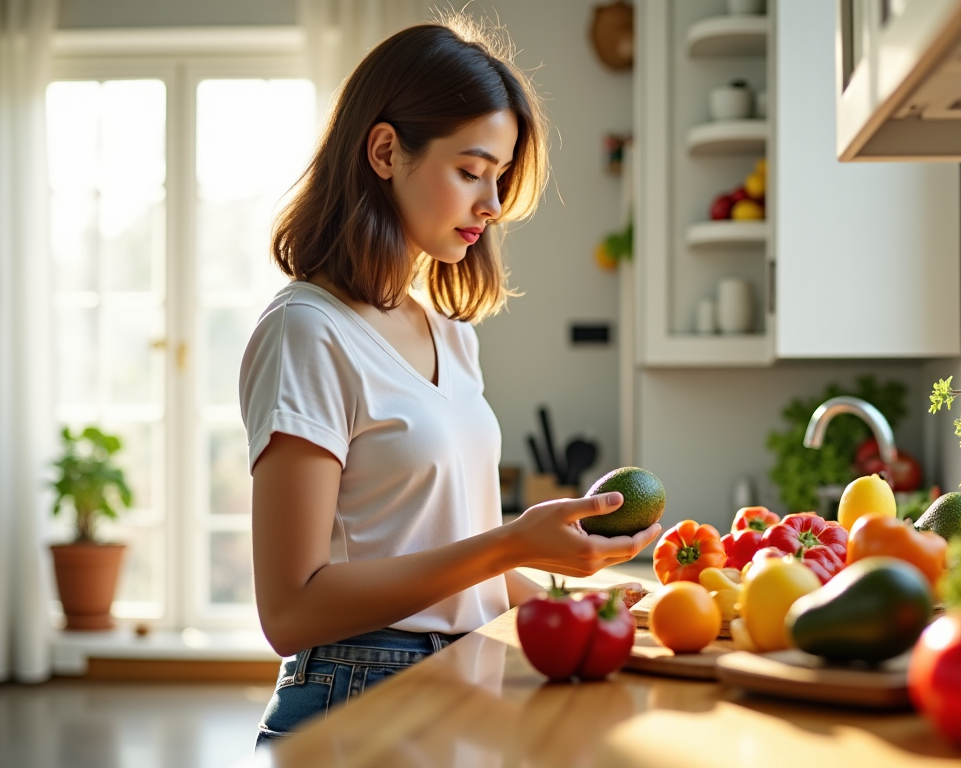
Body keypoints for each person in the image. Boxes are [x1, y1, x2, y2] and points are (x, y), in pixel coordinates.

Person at [240, 18, 660, 747]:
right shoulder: (307, 331)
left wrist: (592, 601)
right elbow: (291, 609)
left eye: (499, 177)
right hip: (354, 701)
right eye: (471, 171)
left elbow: (456, 578)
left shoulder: (452, 337)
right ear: (384, 151)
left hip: (460, 682)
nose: (492, 204)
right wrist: (509, 544)